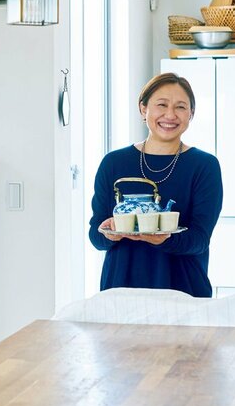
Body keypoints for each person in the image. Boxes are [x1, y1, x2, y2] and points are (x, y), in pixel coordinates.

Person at [89, 72, 223, 297]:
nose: (170, 115)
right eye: (162, 104)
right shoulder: (113, 163)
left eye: (181, 107)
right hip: (120, 292)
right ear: (143, 109)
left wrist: (165, 239)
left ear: (191, 114)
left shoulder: (204, 165)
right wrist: (108, 234)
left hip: (184, 291)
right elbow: (95, 234)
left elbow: (199, 240)